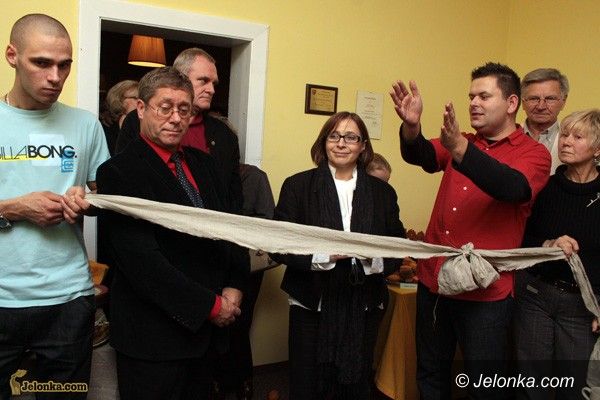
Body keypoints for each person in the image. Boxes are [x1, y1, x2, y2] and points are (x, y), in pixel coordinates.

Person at [390, 62, 551, 399]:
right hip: (435, 284)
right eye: (471, 96)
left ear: (511, 103)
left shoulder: (534, 153)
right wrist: (412, 127)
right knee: (430, 373)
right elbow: (421, 155)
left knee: (484, 384)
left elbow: (512, 187)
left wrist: (461, 150)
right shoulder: (462, 141)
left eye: (484, 96)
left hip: (486, 294)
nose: (474, 103)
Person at [96, 67, 247, 400]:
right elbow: (142, 262)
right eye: (165, 107)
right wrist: (211, 306)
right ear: (141, 109)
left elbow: (232, 227)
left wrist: (235, 284)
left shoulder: (205, 164)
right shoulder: (118, 173)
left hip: (207, 337)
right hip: (154, 338)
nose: (176, 118)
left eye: (184, 109)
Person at [0, 13, 109, 399]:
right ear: (12, 56)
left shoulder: (86, 125)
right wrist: (14, 208)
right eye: (42, 63)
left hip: (68, 298)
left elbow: (102, 198)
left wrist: (87, 202)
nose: (55, 77)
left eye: (64, 65)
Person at [271, 112, 406, 400]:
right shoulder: (297, 186)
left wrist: (372, 260)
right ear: (324, 142)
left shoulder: (383, 193)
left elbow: (398, 245)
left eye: (351, 137)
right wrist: (323, 256)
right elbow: (277, 245)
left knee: (355, 383)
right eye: (334, 136)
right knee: (307, 383)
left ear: (363, 145)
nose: (341, 143)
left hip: (364, 304)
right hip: (311, 302)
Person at [515, 109, 600, 400]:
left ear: (597, 149)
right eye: (564, 134)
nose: (566, 141)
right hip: (535, 296)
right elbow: (520, 239)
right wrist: (548, 244)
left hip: (582, 306)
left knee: (573, 388)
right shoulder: (544, 188)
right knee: (532, 387)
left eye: (578, 136)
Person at [116, 47, 243, 212]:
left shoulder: (223, 135)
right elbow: (125, 176)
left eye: (214, 83)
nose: (211, 90)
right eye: (203, 80)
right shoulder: (138, 122)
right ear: (180, 78)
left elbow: (232, 198)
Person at [213, 163, 277, 400]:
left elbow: (268, 221)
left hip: (246, 266)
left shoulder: (254, 177)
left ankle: (244, 384)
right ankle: (218, 384)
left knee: (239, 325)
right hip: (213, 263)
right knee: (213, 327)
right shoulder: (202, 174)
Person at [522, 68, 569, 173]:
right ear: (523, 102)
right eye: (534, 98)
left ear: (563, 101)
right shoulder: (505, 137)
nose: (541, 106)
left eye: (550, 98)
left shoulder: (576, 143)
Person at [99, 79, 138, 155]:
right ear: (120, 100)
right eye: (136, 98)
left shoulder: (143, 125)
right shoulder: (105, 128)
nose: (141, 102)